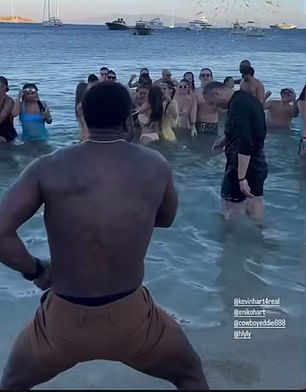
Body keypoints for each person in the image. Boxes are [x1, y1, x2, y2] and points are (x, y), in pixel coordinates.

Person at [0, 81, 208, 390]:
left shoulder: (46, 167)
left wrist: (36, 270)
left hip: (63, 321)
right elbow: (165, 219)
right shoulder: (155, 165)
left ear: (82, 115)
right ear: (128, 118)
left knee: (11, 384)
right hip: (133, 319)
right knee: (189, 374)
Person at [203, 81, 267, 225]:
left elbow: (245, 141)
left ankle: (230, 244)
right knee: (255, 207)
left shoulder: (237, 106)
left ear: (217, 93)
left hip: (240, 167)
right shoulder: (247, 100)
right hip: (258, 162)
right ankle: (266, 239)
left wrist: (241, 178)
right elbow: (254, 128)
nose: (216, 108)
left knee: (229, 211)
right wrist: (225, 139)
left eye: (213, 103)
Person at [193, 68, 219, 135]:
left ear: (211, 77)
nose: (205, 77)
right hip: (199, 123)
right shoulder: (196, 92)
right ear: (200, 77)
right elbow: (193, 110)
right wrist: (192, 125)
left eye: (207, 75)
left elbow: (224, 108)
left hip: (213, 123)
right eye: (203, 75)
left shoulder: (217, 91)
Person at [0, 76, 17, 144]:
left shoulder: (9, 101)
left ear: (5, 87)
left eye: (1, 86)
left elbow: (1, 118)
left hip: (7, 132)